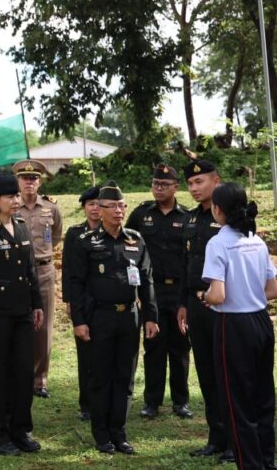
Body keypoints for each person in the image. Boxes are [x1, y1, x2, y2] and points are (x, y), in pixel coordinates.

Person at [68, 183, 159, 455]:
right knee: (100, 376)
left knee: (124, 376)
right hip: (99, 317)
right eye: (112, 206)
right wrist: (79, 321)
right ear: (99, 209)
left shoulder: (136, 240)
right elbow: (76, 284)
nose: (119, 211)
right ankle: (101, 433)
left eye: (122, 206)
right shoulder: (86, 242)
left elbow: (147, 280)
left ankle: (119, 432)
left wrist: (151, 317)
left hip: (129, 316)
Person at [202, 183, 277, 470]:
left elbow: (217, 295)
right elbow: (272, 291)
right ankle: (267, 463)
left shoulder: (218, 243)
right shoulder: (256, 241)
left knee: (237, 405)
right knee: (262, 400)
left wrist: (203, 296)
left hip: (233, 325)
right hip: (261, 321)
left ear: (217, 209)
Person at [0, 174, 44, 457]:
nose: (16, 200)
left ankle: (20, 429)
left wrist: (36, 304)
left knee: (23, 372)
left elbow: (31, 271)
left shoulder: (23, 228)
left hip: (22, 313)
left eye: (17, 195)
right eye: (10, 196)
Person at [126, 164, 192, 419]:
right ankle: (152, 401)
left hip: (178, 291)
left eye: (164, 185)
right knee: (153, 345)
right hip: (149, 291)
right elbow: (126, 243)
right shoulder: (141, 215)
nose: (159, 189)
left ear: (176, 187)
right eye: (155, 184)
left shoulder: (186, 216)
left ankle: (180, 401)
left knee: (180, 346)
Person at [177, 158, 232, 462]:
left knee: (227, 373)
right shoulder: (190, 219)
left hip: (224, 305)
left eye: (200, 182)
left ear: (216, 181)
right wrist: (183, 303)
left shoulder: (230, 218)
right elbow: (188, 266)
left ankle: (234, 440)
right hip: (197, 305)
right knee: (207, 373)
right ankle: (216, 436)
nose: (194, 188)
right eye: (190, 184)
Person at [11, 159, 63, 398]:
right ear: (18, 182)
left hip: (43, 271)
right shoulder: (11, 206)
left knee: (44, 327)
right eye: (24, 178)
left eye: (33, 178)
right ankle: (19, 375)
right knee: (18, 324)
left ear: (39, 181)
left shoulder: (51, 208)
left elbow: (57, 235)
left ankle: (40, 379)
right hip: (16, 272)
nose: (29, 182)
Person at [62, 184, 102, 422]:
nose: (95, 208)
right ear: (84, 208)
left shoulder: (113, 231)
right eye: (90, 204)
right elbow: (67, 269)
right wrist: (69, 300)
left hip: (105, 300)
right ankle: (86, 404)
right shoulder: (75, 233)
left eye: (99, 203)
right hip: (83, 300)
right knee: (85, 354)